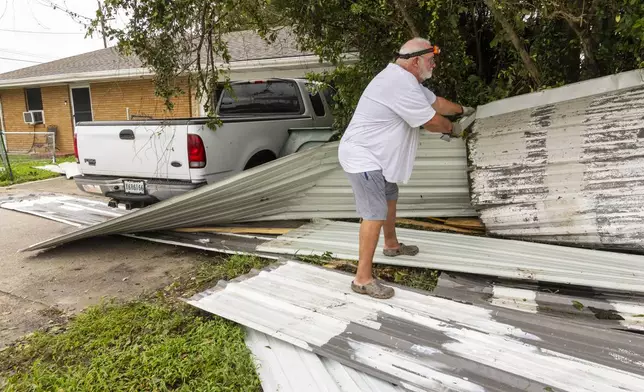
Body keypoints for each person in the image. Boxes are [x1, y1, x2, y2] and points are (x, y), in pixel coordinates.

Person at [338, 37, 473, 299]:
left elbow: (438, 104)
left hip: (378, 157)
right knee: (374, 212)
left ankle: (391, 245)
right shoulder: (397, 83)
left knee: (389, 197)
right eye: (430, 61)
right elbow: (433, 121)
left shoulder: (407, 81)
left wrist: (464, 110)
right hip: (362, 157)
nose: (433, 65)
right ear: (415, 62)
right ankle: (362, 279)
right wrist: (453, 128)